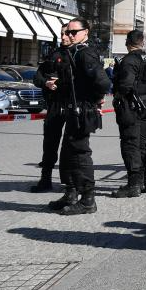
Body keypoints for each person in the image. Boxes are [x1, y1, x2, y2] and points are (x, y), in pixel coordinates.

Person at [45, 17, 111, 215]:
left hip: (82, 111)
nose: (70, 35)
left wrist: (95, 100)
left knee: (80, 154)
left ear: (85, 33)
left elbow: (103, 82)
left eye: (74, 32)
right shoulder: (73, 52)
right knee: (68, 153)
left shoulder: (85, 54)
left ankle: (88, 199)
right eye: (68, 32)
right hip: (73, 109)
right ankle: (71, 193)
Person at [111, 30, 146, 198]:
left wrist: (117, 100)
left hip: (131, 108)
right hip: (145, 106)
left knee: (130, 145)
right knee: (141, 145)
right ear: (142, 42)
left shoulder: (128, 60)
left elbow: (125, 85)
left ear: (127, 43)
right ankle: (142, 182)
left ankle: (133, 185)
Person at [29, 25, 71, 193]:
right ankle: (45, 179)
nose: (64, 36)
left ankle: (69, 183)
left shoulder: (80, 54)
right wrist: (46, 83)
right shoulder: (54, 54)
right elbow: (37, 77)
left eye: (67, 33)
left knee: (70, 145)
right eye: (62, 33)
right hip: (55, 104)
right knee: (50, 143)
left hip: (73, 104)